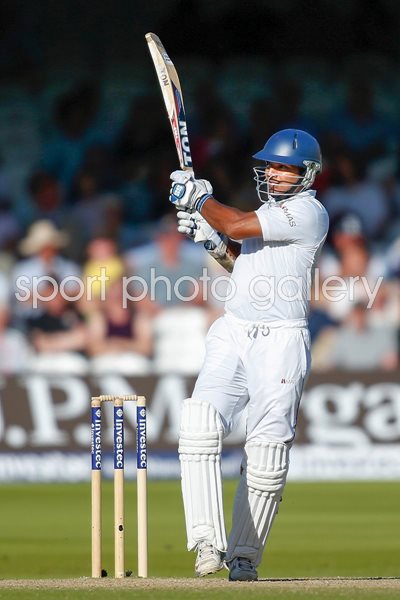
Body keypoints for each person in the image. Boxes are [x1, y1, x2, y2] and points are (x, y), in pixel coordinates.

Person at [168, 129, 329, 581]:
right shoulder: (268, 212)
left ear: (307, 173)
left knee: (266, 450)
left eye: (284, 168)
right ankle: (205, 541)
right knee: (199, 421)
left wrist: (199, 201)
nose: (274, 174)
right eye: (271, 166)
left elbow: (236, 224)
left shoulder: (309, 213)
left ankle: (243, 555)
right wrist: (213, 242)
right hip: (234, 330)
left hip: (280, 342)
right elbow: (245, 260)